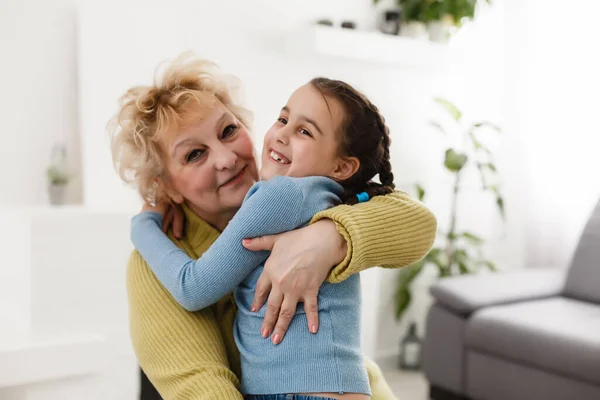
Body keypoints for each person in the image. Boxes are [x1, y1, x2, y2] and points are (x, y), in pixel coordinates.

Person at [110, 53, 437, 400]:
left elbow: (420, 226)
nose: (226, 158)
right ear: (167, 186)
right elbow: (202, 389)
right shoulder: (156, 264)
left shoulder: (293, 195)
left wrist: (331, 237)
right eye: (194, 155)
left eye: (228, 131)